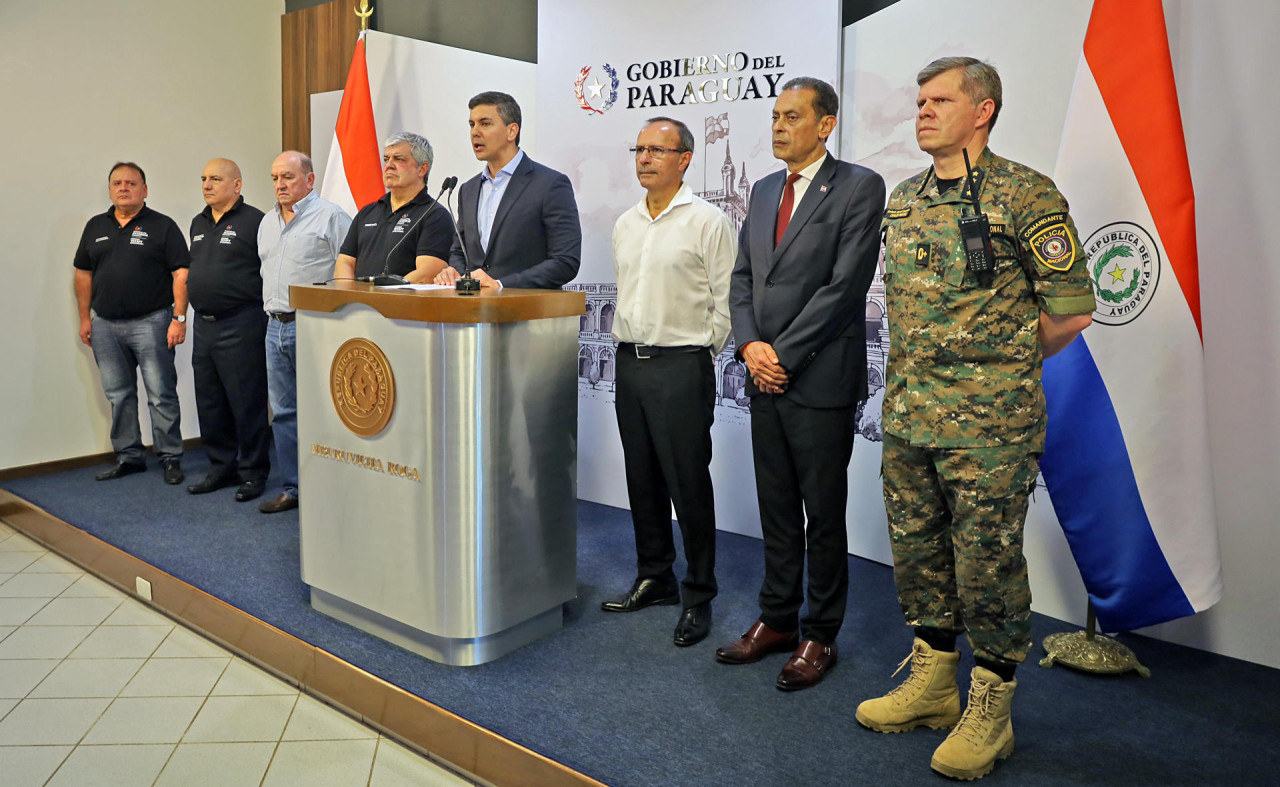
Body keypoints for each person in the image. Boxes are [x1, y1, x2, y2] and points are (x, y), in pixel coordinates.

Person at [855, 57, 1095, 781]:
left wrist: (1002, 365)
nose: (923, 110)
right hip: (908, 417)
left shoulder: (1026, 194)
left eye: (940, 100)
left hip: (990, 428)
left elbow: (1071, 310)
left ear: (982, 110)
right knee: (920, 557)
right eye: (920, 100)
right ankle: (932, 684)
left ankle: (990, 709)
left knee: (986, 565)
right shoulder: (903, 199)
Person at [717, 78, 886, 690]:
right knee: (778, 508)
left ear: (826, 125)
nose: (779, 126)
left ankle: (820, 634)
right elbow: (742, 279)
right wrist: (749, 346)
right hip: (765, 376)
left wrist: (779, 353)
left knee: (824, 513)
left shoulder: (860, 187)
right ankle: (777, 619)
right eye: (775, 116)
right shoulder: (763, 190)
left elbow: (845, 287)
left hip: (818, 378)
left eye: (793, 116)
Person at [600, 117, 736, 647]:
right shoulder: (626, 222)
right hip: (629, 364)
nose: (645, 158)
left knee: (687, 481)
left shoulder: (708, 220)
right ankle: (654, 575)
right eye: (639, 148)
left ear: (685, 159)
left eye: (658, 149)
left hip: (682, 365)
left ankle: (698, 594)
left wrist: (698, 353)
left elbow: (725, 304)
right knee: (643, 477)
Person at [74, 161, 190, 485]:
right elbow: (83, 274)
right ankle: (129, 456)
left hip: (152, 322)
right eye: (117, 183)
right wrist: (85, 318)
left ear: (144, 190)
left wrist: (178, 319)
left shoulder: (163, 226)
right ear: (110, 189)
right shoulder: (95, 226)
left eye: (131, 183)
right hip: (105, 326)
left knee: (160, 393)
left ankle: (170, 457)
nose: (123, 188)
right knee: (118, 395)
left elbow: (181, 272)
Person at [257, 151, 352, 513]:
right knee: (283, 413)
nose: (280, 185)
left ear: (309, 181)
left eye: (288, 177)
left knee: (324, 411)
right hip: (274, 327)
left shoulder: (332, 217)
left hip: (314, 327)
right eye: (275, 178)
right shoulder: (267, 222)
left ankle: (330, 490)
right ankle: (293, 489)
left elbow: (350, 273)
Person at [185, 158, 271, 502]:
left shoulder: (256, 222)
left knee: (246, 401)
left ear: (237, 185)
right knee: (210, 401)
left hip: (242, 322)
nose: (207, 184)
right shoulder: (198, 222)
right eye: (204, 178)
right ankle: (221, 467)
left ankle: (253, 472)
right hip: (204, 326)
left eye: (215, 179)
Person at [433, 91, 581, 289]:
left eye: (485, 124)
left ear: (512, 131)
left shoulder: (550, 185)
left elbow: (565, 261)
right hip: (474, 314)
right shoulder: (467, 190)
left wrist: (501, 284)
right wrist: (456, 273)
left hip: (528, 313)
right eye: (472, 124)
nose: (475, 132)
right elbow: (459, 252)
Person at [333, 132, 455, 284]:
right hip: (360, 305)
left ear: (422, 169)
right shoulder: (367, 212)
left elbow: (428, 272)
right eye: (386, 159)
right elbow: (345, 262)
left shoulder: (435, 215)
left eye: (398, 159)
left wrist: (381, 294)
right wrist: (350, 296)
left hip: (403, 304)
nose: (389, 165)